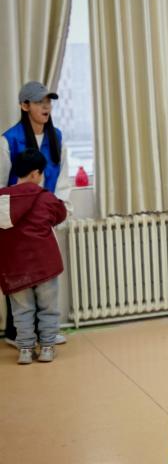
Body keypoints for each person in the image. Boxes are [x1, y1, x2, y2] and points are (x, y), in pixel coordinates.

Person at [1, 81, 71, 349]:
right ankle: (18, 335)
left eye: (49, 101)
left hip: (45, 216)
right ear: (24, 106)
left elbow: (63, 179)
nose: (46, 106)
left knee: (45, 280)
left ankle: (47, 335)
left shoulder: (58, 138)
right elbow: (1, 183)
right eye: (40, 102)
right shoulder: (9, 140)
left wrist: (58, 211)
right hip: (15, 220)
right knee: (19, 280)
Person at [0, 149, 67, 364]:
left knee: (21, 311)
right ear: (35, 173)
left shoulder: (2, 200)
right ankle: (47, 348)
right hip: (44, 264)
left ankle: (25, 351)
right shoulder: (45, 197)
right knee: (48, 309)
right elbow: (60, 214)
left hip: (15, 268)